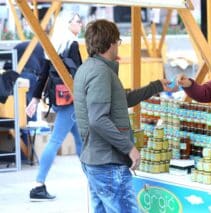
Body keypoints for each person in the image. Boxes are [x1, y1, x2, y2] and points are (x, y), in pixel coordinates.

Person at [73, 19, 176, 213]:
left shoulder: (89, 69)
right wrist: (129, 148)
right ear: (111, 42)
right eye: (118, 42)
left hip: (96, 161)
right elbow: (98, 119)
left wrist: (156, 86)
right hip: (108, 163)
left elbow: (121, 100)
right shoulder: (101, 73)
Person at [25, 11, 83, 201]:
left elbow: (43, 75)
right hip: (71, 102)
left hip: (58, 100)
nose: (81, 24)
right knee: (56, 140)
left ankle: (93, 179)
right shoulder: (72, 44)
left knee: (81, 139)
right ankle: (38, 184)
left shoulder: (53, 44)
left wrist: (34, 99)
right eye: (78, 21)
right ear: (68, 24)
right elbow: (81, 74)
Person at [15, 41, 45, 121]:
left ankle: (25, 126)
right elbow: (44, 66)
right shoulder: (40, 47)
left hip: (18, 75)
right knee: (32, 102)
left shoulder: (20, 45)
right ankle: (32, 124)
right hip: (31, 76)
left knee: (22, 103)